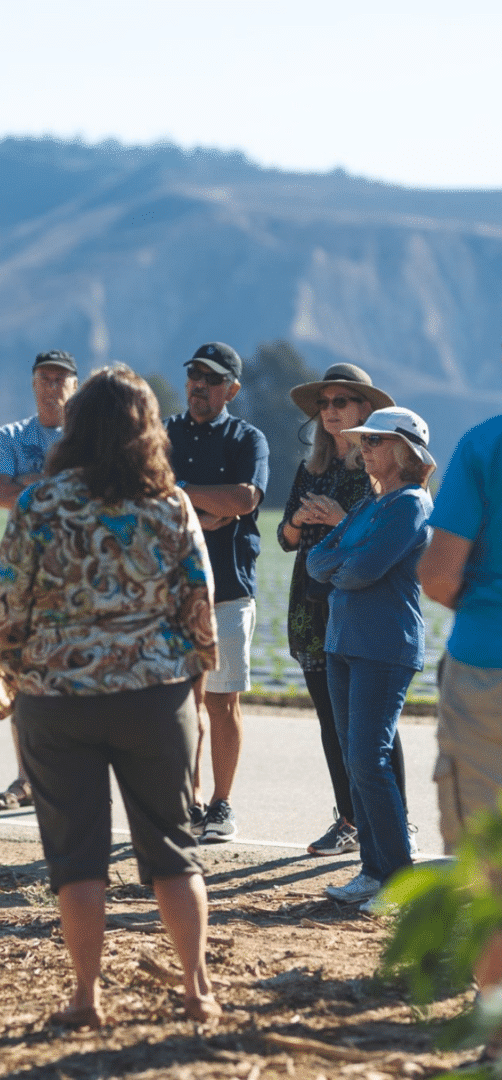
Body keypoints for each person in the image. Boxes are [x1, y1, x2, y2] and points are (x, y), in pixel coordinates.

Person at [0, 365, 220, 1028]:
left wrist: (12, 681)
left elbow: (9, 605)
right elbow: (198, 605)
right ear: (145, 431)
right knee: (174, 853)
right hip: (155, 695)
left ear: (76, 425)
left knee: (77, 859)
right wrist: (194, 688)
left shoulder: (37, 504)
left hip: (56, 699)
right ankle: (197, 991)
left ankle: (87, 998)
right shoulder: (170, 504)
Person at [278, 364, 412, 856]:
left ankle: (397, 823)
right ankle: (350, 819)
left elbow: (379, 538)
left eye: (341, 402)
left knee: (375, 725)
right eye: (324, 403)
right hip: (309, 607)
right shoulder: (309, 468)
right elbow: (285, 541)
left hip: (357, 605)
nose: (330, 411)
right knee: (331, 721)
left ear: (364, 411)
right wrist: (295, 520)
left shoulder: (380, 471)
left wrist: (335, 520)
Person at [306, 407, 434, 911]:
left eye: (376, 441)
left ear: (404, 451)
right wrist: (345, 564)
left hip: (385, 647)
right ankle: (372, 870)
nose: (365, 448)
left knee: (367, 758)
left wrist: (344, 564)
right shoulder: (370, 502)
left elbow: (362, 570)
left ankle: (399, 880)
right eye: (366, 441)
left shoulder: (410, 504)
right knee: (355, 759)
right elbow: (319, 560)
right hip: (344, 642)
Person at [165, 342, 269, 843]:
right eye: (194, 375)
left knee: (221, 702)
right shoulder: (163, 433)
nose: (199, 385)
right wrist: (204, 504)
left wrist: (179, 492)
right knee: (179, 703)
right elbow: (145, 490)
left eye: (210, 378)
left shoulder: (248, 438)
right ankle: (190, 800)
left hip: (228, 588)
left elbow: (245, 498)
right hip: (169, 590)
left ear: (232, 388)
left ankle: (222, 805)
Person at [418, 406, 502, 1005]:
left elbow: (439, 574)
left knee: (486, 861)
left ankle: (496, 1024)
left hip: (487, 667)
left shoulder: (484, 445)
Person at [0, 349, 78, 811]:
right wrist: (54, 483)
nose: (52, 385)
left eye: (61, 378)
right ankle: (25, 779)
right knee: (20, 669)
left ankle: (67, 774)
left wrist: (31, 482)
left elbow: (89, 491)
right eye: (44, 377)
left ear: (75, 386)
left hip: (77, 569)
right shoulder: (10, 435)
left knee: (73, 669)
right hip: (23, 568)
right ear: (33, 383)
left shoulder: (87, 437)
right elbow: (0, 493)